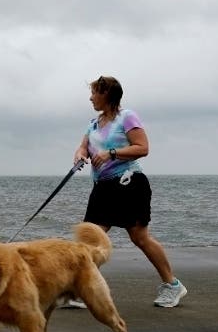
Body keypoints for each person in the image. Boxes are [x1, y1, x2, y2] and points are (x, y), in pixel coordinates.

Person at [69, 75, 187, 308]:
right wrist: (80, 153)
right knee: (91, 238)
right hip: (102, 187)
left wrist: (112, 153)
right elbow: (83, 145)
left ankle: (172, 285)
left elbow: (143, 148)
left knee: (140, 238)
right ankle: (82, 290)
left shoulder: (127, 117)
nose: (91, 97)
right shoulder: (94, 123)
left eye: (94, 93)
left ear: (107, 95)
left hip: (129, 184)